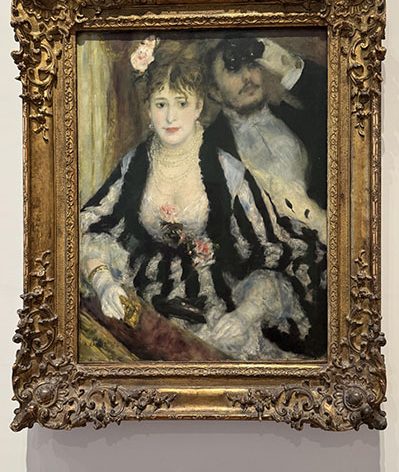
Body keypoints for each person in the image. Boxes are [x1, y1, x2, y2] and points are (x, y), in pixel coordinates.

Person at [80, 48, 326, 361]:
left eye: (181, 103)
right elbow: (94, 226)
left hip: (214, 311)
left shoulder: (227, 170)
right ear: (149, 109)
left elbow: (271, 252)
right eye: (161, 104)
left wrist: (245, 315)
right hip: (147, 306)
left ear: (198, 106)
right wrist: (103, 281)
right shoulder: (134, 165)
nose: (171, 117)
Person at [204, 37, 327, 243]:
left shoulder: (300, 119)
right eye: (233, 70)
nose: (247, 77)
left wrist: (288, 67)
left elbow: (346, 105)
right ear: (215, 91)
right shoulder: (208, 149)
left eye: (252, 65)